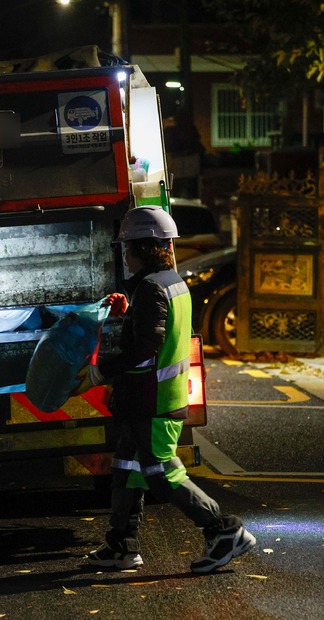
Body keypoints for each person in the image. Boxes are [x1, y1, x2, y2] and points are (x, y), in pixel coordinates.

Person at [76, 205, 256, 574]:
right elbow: (156, 329)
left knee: (161, 472)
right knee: (126, 468)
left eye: (128, 247)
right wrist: (130, 310)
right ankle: (121, 545)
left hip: (153, 400)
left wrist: (100, 373)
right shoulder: (170, 282)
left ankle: (223, 530)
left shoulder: (152, 288)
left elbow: (147, 347)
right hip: (148, 399)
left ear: (144, 247)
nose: (124, 255)